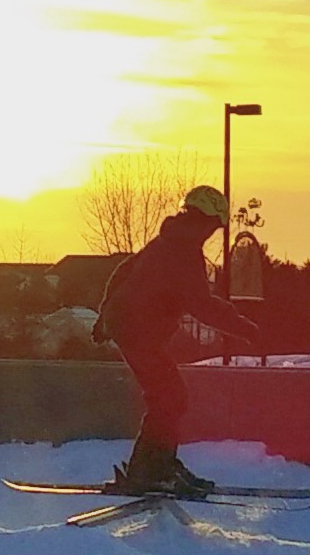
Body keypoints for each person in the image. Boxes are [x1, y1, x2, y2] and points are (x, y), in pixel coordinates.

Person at [92, 184, 260, 495]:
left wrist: (106, 314)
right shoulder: (182, 252)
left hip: (133, 328)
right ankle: (149, 471)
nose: (212, 233)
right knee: (168, 398)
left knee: (168, 397)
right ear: (204, 220)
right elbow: (202, 305)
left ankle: (158, 466)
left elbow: (124, 270)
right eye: (213, 226)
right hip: (136, 330)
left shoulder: (170, 240)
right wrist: (244, 328)